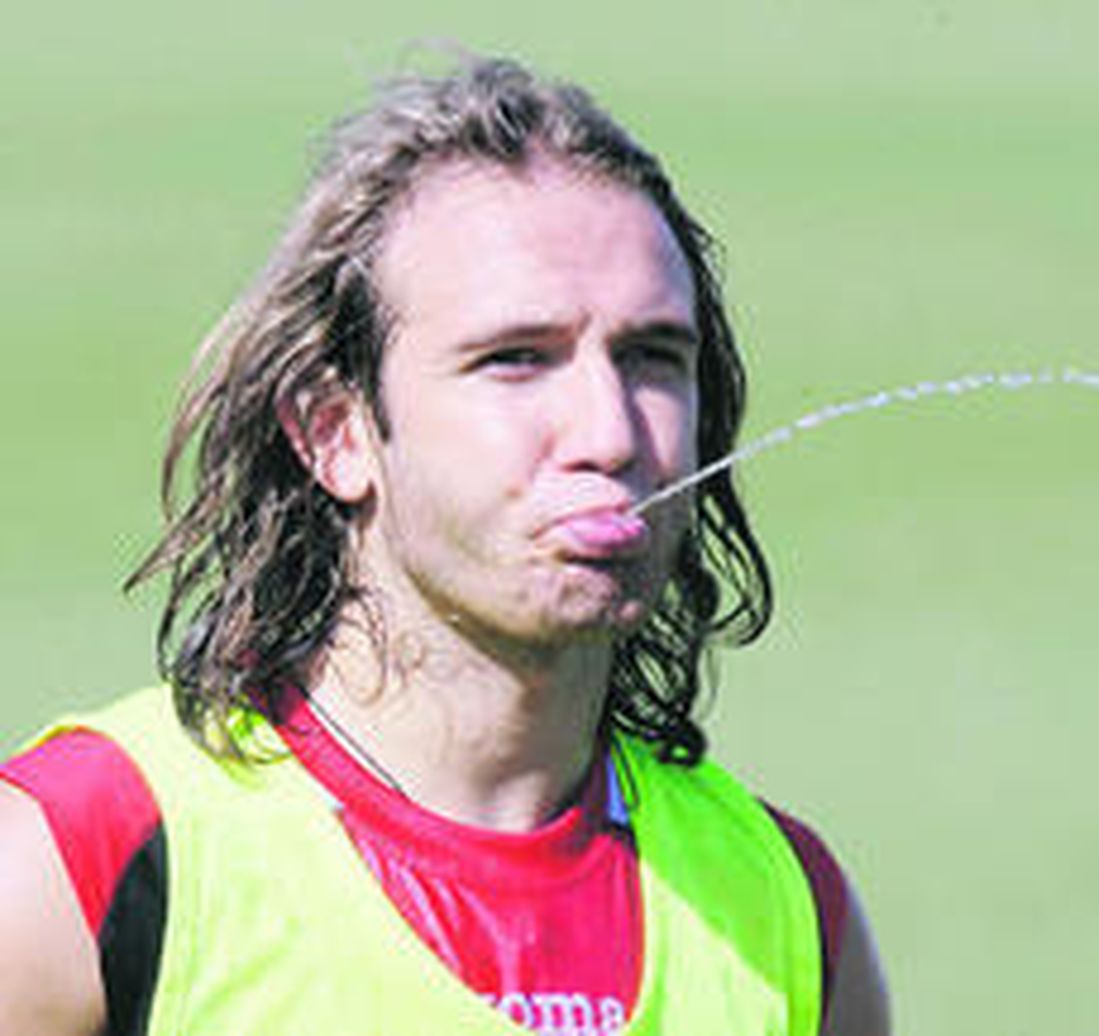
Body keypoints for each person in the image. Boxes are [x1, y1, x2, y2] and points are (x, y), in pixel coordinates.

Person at [0, 53, 890, 1036]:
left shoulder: (788, 911)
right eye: (516, 360)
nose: (610, 433)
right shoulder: (86, 862)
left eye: (651, 358)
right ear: (335, 431)